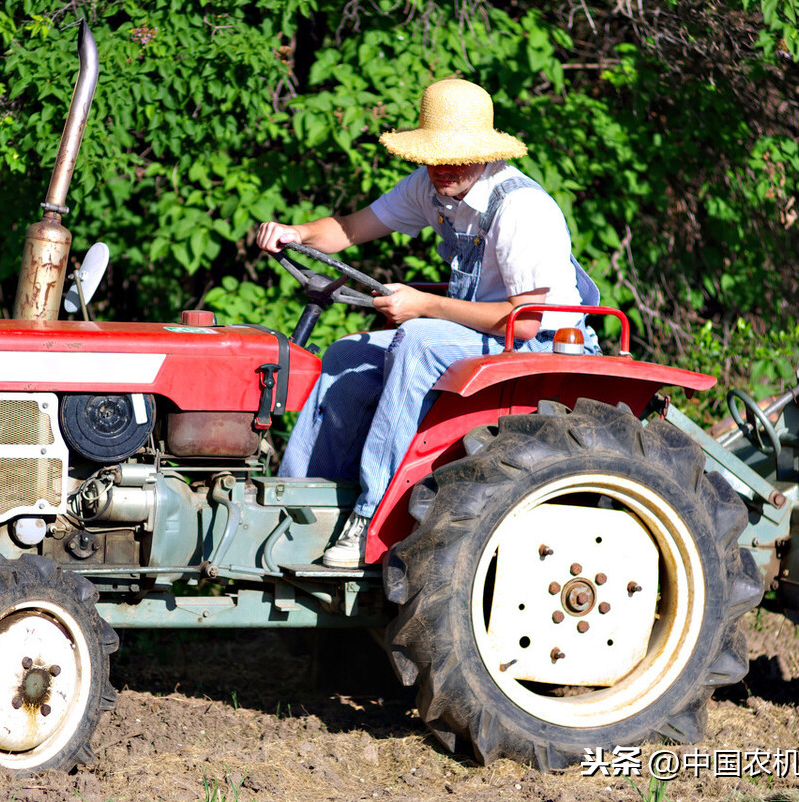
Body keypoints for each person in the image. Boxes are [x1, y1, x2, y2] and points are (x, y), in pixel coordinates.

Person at [255, 78, 600, 568]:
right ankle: (295, 507)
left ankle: (370, 519)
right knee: (347, 353)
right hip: (483, 332)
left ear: (483, 153)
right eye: (435, 155)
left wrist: (423, 305)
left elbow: (524, 323)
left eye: (456, 155)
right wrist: (297, 232)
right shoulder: (433, 188)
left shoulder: (521, 208)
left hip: (544, 344)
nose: (443, 167)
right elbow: (353, 228)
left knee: (413, 339)